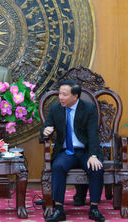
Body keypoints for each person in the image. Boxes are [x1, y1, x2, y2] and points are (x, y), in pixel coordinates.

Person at [41, 79, 105, 222]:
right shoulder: (55, 108)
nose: (60, 97)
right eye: (60, 94)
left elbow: (93, 134)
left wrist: (93, 155)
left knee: (96, 168)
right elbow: (46, 127)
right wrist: (45, 131)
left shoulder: (88, 108)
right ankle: (59, 209)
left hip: (85, 151)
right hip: (66, 152)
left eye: (64, 94)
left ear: (75, 96)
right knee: (58, 166)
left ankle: (94, 208)